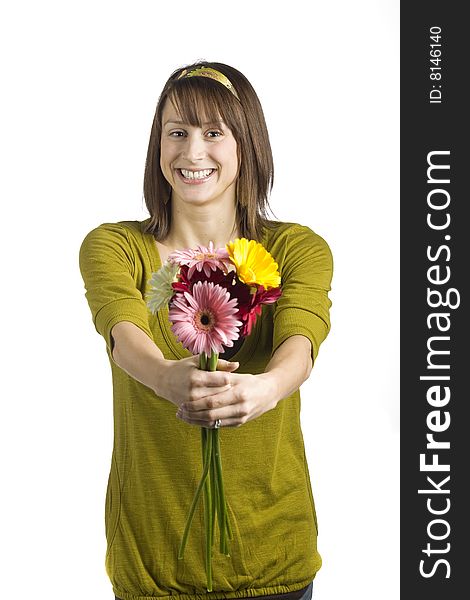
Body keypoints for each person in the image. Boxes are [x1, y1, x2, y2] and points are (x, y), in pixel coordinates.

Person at [79, 61, 333, 600]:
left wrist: (266, 389)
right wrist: (166, 376)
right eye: (178, 133)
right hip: (154, 562)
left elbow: (302, 337)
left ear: (247, 146)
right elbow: (122, 327)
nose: (192, 153)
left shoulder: (294, 248)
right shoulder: (115, 247)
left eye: (214, 133)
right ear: (158, 147)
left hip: (274, 559)